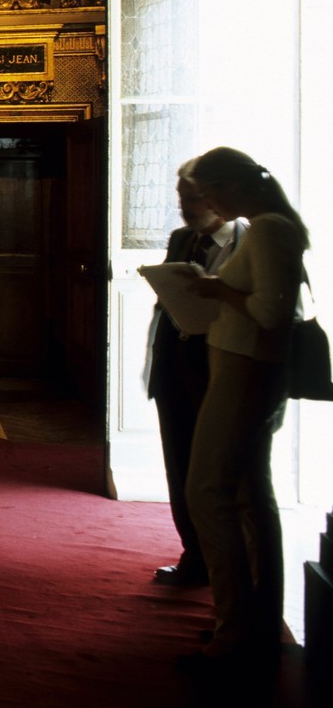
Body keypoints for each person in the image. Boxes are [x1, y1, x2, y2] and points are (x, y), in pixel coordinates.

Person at [182, 147, 308, 674]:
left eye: (210, 192)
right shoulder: (271, 226)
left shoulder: (267, 229)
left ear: (234, 187)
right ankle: (249, 624)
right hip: (245, 369)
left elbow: (269, 312)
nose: (206, 202)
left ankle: (236, 634)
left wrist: (214, 290)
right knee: (248, 495)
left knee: (206, 492)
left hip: (245, 371)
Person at [144, 161, 245, 587]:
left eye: (190, 200)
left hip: (222, 371)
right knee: (179, 464)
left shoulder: (251, 241)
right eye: (180, 199)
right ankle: (194, 555)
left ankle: (232, 566)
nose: (182, 208)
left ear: (215, 198)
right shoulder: (182, 239)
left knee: (222, 475)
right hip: (175, 368)